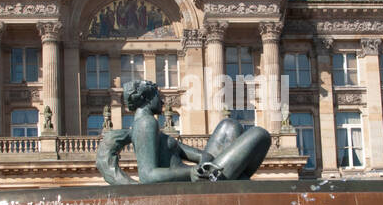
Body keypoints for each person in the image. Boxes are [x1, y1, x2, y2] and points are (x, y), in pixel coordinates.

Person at [97, 79, 271, 185]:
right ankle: (236, 182)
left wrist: (203, 160)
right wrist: (192, 172)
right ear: (146, 99)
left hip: (203, 171)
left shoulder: (150, 123)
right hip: (200, 179)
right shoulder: (145, 124)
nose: (162, 99)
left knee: (230, 125)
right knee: (259, 134)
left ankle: (237, 178)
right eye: (158, 95)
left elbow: (189, 152)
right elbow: (148, 175)